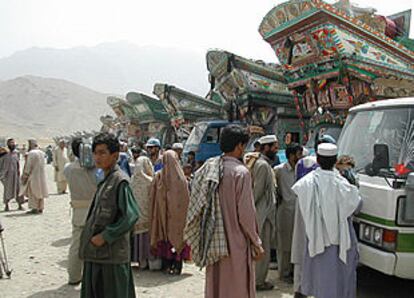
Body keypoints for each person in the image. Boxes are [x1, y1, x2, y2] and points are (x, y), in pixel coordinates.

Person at [185, 124, 264, 298]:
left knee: (217, 285)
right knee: (237, 287)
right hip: (236, 244)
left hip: (214, 240)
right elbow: (246, 215)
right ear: (239, 146)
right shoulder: (240, 173)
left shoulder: (209, 167)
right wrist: (256, 241)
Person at [291, 143, 361, 298]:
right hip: (340, 244)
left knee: (319, 282)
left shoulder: (305, 184)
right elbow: (356, 205)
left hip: (316, 242)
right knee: (340, 282)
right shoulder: (344, 185)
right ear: (335, 160)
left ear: (318, 159)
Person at [79, 133, 139, 298]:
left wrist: (106, 236)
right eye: (95, 153)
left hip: (111, 257)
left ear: (115, 156)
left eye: (102, 153)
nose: (97, 157)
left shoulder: (120, 181)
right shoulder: (106, 180)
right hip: (97, 255)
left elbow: (131, 215)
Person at [149, 150, 190, 275]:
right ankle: (177, 266)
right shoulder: (182, 180)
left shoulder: (159, 177)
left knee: (166, 239)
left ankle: (167, 266)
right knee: (178, 238)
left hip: (163, 216)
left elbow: (152, 195)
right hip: (178, 219)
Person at [63, 138, 98, 286]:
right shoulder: (98, 169)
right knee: (97, 247)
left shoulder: (69, 168)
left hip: (78, 211)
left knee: (76, 245)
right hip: (96, 211)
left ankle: (74, 276)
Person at [252, 134, 279, 291]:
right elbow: (257, 192)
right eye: (274, 147)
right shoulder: (262, 165)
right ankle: (258, 282)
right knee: (263, 250)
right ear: (266, 148)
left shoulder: (264, 164)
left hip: (265, 213)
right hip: (262, 215)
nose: (276, 150)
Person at [274, 143, 303, 284]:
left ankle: (294, 272)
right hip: (285, 211)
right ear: (291, 156)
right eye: (298, 154)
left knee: (296, 243)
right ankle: (284, 272)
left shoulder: (303, 171)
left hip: (299, 212)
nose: (301, 157)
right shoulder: (279, 171)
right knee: (284, 244)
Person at [130, 155, 154, 269]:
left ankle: (140, 261)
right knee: (147, 238)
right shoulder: (150, 181)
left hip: (136, 217)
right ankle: (150, 260)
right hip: (148, 216)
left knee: (138, 238)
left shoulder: (132, 180)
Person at [20, 139, 48, 214]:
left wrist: (25, 175)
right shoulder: (42, 153)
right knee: (40, 191)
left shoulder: (31, 153)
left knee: (33, 191)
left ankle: (35, 208)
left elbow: (28, 165)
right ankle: (40, 207)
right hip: (41, 175)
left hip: (33, 175)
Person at [0, 138, 25, 211]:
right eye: (11, 143)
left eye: (13, 143)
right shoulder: (3, 153)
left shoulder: (16, 153)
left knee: (18, 190)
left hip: (15, 174)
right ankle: (6, 205)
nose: (12, 144)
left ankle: (20, 205)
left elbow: (17, 163)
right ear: (8, 144)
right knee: (7, 190)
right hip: (6, 175)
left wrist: (18, 171)